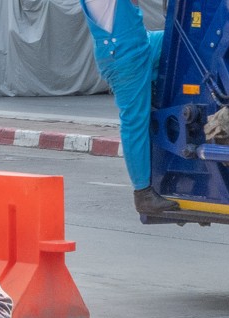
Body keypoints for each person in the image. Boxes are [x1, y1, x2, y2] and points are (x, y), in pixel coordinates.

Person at [79, 0, 179, 214]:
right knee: (134, 122)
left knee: (180, 39)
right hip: (124, 58)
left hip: (140, 45)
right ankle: (143, 193)